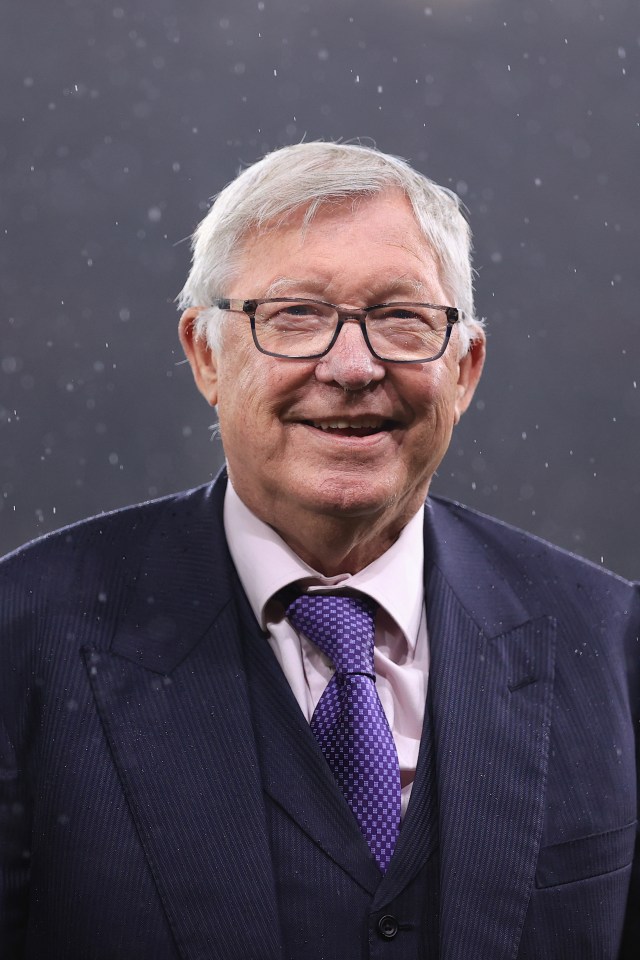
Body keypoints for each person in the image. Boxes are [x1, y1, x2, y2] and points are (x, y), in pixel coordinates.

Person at [0, 142, 638, 960]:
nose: (350, 367)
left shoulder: (613, 644)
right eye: (293, 315)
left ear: (465, 369)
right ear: (205, 355)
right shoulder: (24, 639)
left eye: (401, 318)